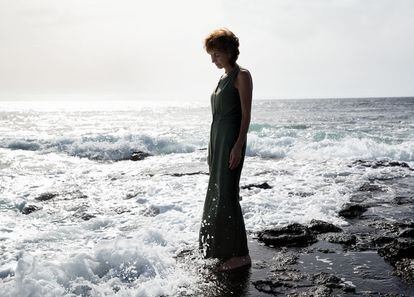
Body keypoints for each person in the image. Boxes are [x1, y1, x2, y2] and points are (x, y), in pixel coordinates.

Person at [198, 27, 253, 272]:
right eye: (211, 55)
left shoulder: (242, 75)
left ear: (229, 51)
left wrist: (238, 146)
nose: (212, 60)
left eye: (216, 54)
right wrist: (211, 149)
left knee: (228, 195)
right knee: (217, 194)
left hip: (231, 140)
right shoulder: (221, 78)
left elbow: (246, 116)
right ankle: (222, 249)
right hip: (217, 140)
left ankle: (241, 254)